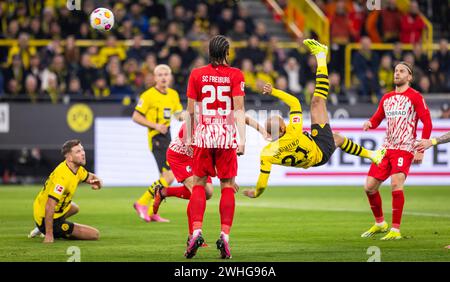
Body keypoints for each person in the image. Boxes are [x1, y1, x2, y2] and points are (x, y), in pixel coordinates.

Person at [243, 39, 385, 200]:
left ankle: (373, 155)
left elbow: (262, 182)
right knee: (317, 103)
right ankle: (321, 55)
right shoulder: (293, 131)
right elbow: (295, 102)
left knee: (337, 138)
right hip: (319, 147)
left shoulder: (267, 152)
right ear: (282, 128)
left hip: (315, 157)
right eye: (283, 121)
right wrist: (274, 91)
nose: (285, 122)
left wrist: (255, 193)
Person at [184, 35, 246, 259]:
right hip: (226, 134)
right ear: (227, 52)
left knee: (199, 184)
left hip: (204, 133)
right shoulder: (236, 74)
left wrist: (190, 138)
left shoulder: (196, 74)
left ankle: (197, 232)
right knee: (227, 186)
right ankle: (225, 237)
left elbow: (190, 111)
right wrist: (242, 139)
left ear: (209, 52)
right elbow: (238, 110)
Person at [360, 61, 432, 240]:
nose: (397, 73)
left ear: (410, 77)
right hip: (387, 148)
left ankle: (396, 230)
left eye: (402, 71)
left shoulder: (415, 96)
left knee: (395, 184)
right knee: (369, 187)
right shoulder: (387, 98)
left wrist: (421, 148)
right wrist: (370, 123)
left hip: (405, 147)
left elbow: (427, 122)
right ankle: (380, 223)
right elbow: (377, 118)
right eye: (395, 71)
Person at [132, 64, 183, 223]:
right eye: (160, 74)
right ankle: (141, 202)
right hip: (156, 138)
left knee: (165, 177)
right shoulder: (148, 95)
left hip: (167, 136)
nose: (163, 77)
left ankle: (154, 211)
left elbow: (178, 114)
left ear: (170, 77)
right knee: (170, 176)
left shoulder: (173, 94)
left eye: (166, 74)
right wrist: (155, 126)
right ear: (154, 78)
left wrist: (189, 115)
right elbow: (135, 116)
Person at [29, 140, 102, 243]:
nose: (83, 153)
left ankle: (45, 228)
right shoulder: (62, 178)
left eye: (82, 150)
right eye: (78, 151)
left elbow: (91, 177)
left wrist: (98, 182)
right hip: (45, 217)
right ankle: (47, 229)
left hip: (43, 209)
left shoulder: (77, 169)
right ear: (70, 157)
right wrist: (49, 235)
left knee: (75, 208)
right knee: (94, 234)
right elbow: (50, 205)